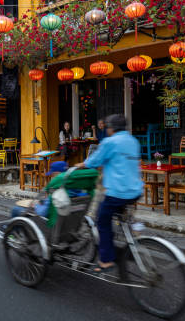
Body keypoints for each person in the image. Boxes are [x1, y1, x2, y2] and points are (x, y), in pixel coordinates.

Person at [76, 114, 143, 273]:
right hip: (135, 190)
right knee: (120, 214)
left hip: (117, 192)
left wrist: (81, 164)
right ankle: (133, 233)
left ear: (111, 128)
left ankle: (106, 260)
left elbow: (94, 161)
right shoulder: (133, 141)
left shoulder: (110, 142)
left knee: (102, 221)